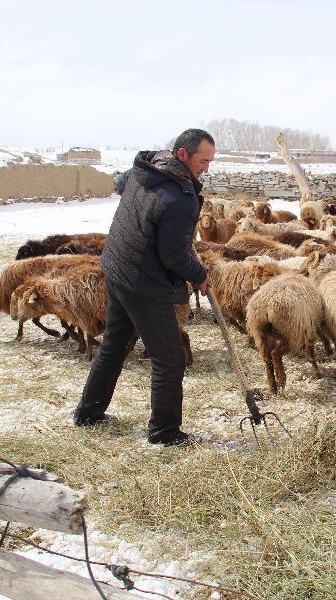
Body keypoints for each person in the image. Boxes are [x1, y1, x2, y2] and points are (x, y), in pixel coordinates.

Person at [73, 128, 214, 446]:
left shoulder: (147, 167)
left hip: (118, 266)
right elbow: (174, 255)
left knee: (115, 343)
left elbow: (123, 186)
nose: (207, 168)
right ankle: (164, 433)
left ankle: (88, 412)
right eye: (203, 161)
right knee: (169, 358)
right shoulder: (177, 198)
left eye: (210, 161)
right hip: (142, 281)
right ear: (182, 155)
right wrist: (199, 274)